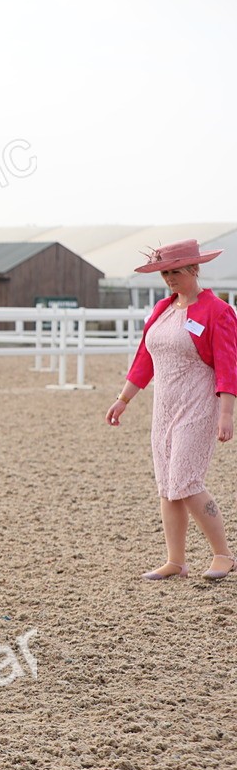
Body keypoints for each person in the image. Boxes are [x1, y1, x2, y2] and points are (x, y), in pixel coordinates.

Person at [106, 239, 237, 581]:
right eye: (165, 272)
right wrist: (123, 399)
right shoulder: (162, 310)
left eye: (175, 271)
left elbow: (228, 365)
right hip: (164, 408)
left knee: (186, 480)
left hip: (198, 405)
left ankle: (223, 554)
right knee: (167, 484)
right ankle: (175, 560)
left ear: (195, 269)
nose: (169, 278)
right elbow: (144, 360)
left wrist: (226, 412)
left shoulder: (218, 311)